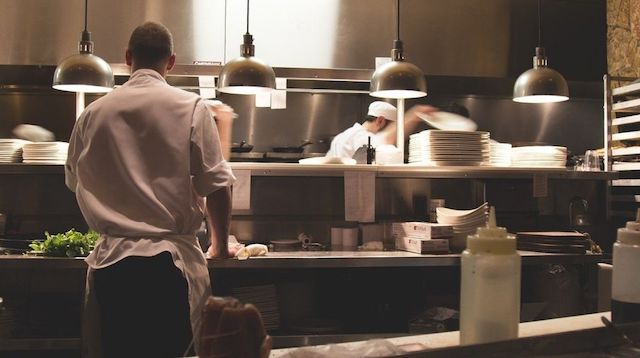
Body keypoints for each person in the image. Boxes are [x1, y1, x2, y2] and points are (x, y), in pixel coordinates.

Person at [65, 22, 236, 357]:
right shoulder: (191, 107)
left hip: (111, 267)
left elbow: (74, 181)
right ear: (170, 61)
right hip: (168, 268)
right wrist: (220, 247)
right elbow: (216, 185)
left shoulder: (92, 113)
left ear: (128, 57)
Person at [326, 101, 438, 158]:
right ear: (380, 121)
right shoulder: (360, 137)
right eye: (392, 126)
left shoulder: (341, 136)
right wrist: (414, 114)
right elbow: (385, 140)